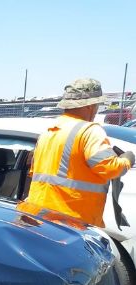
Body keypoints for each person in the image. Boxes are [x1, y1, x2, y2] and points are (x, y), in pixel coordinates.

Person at [19, 78, 134, 227]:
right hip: (70, 224)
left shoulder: (48, 132)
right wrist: (127, 160)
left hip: (37, 218)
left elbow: (35, 172)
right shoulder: (89, 131)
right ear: (90, 106)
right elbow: (109, 167)